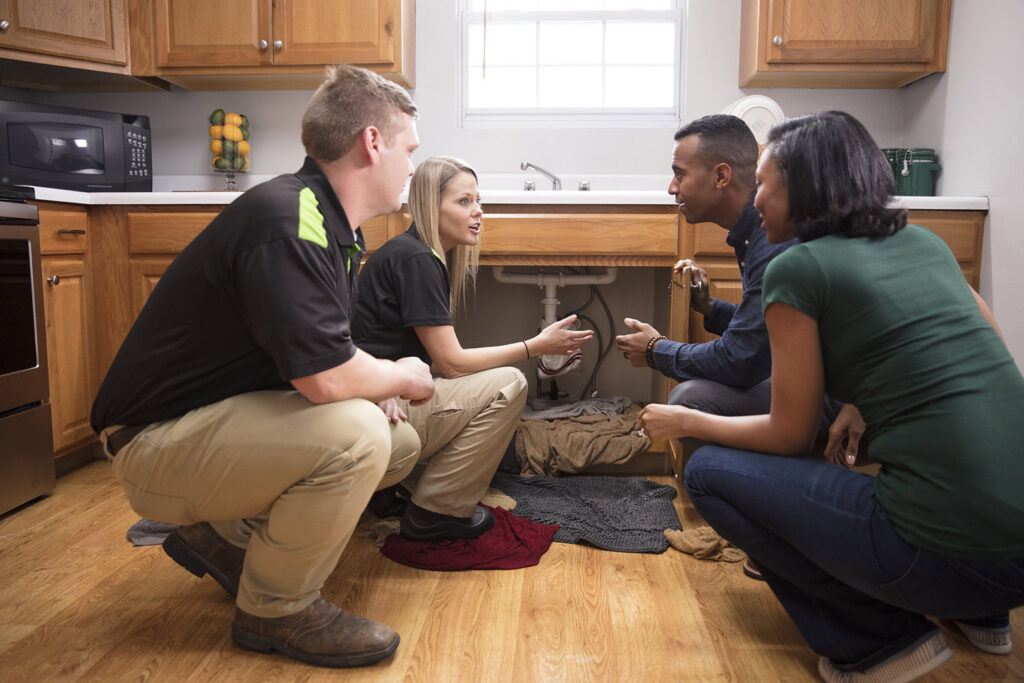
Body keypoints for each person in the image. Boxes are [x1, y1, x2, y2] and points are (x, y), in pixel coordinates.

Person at [92, 65, 468, 669]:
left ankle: (226, 539)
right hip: (152, 444)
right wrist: (402, 375)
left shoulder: (327, 226)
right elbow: (324, 378)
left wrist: (376, 378)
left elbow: (324, 350)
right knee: (359, 435)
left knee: (393, 440)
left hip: (201, 424)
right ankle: (276, 607)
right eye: (408, 149)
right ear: (373, 143)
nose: (411, 168)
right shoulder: (289, 221)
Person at [639, 111, 1024, 681]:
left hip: (941, 553)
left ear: (805, 190)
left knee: (709, 472)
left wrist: (684, 421)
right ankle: (983, 617)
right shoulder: (927, 245)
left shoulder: (797, 266)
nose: (757, 198)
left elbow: (787, 433)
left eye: (765, 183)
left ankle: (877, 644)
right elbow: (982, 368)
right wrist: (858, 402)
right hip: (1016, 560)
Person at [352, 156, 593, 504]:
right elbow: (452, 364)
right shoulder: (418, 259)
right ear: (431, 206)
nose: (478, 211)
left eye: (478, 200)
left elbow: (435, 362)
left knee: (476, 381)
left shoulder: (415, 253)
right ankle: (439, 509)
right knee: (510, 383)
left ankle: (410, 487)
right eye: (464, 201)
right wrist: (536, 346)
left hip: (383, 392)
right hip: (381, 405)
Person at [615, 115, 800, 436]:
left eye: (679, 174)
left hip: (825, 398)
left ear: (721, 176)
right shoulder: (754, 231)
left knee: (689, 402)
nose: (672, 187)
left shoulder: (770, 238)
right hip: (803, 377)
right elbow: (768, 332)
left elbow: (740, 360)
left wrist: (655, 349)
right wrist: (711, 308)